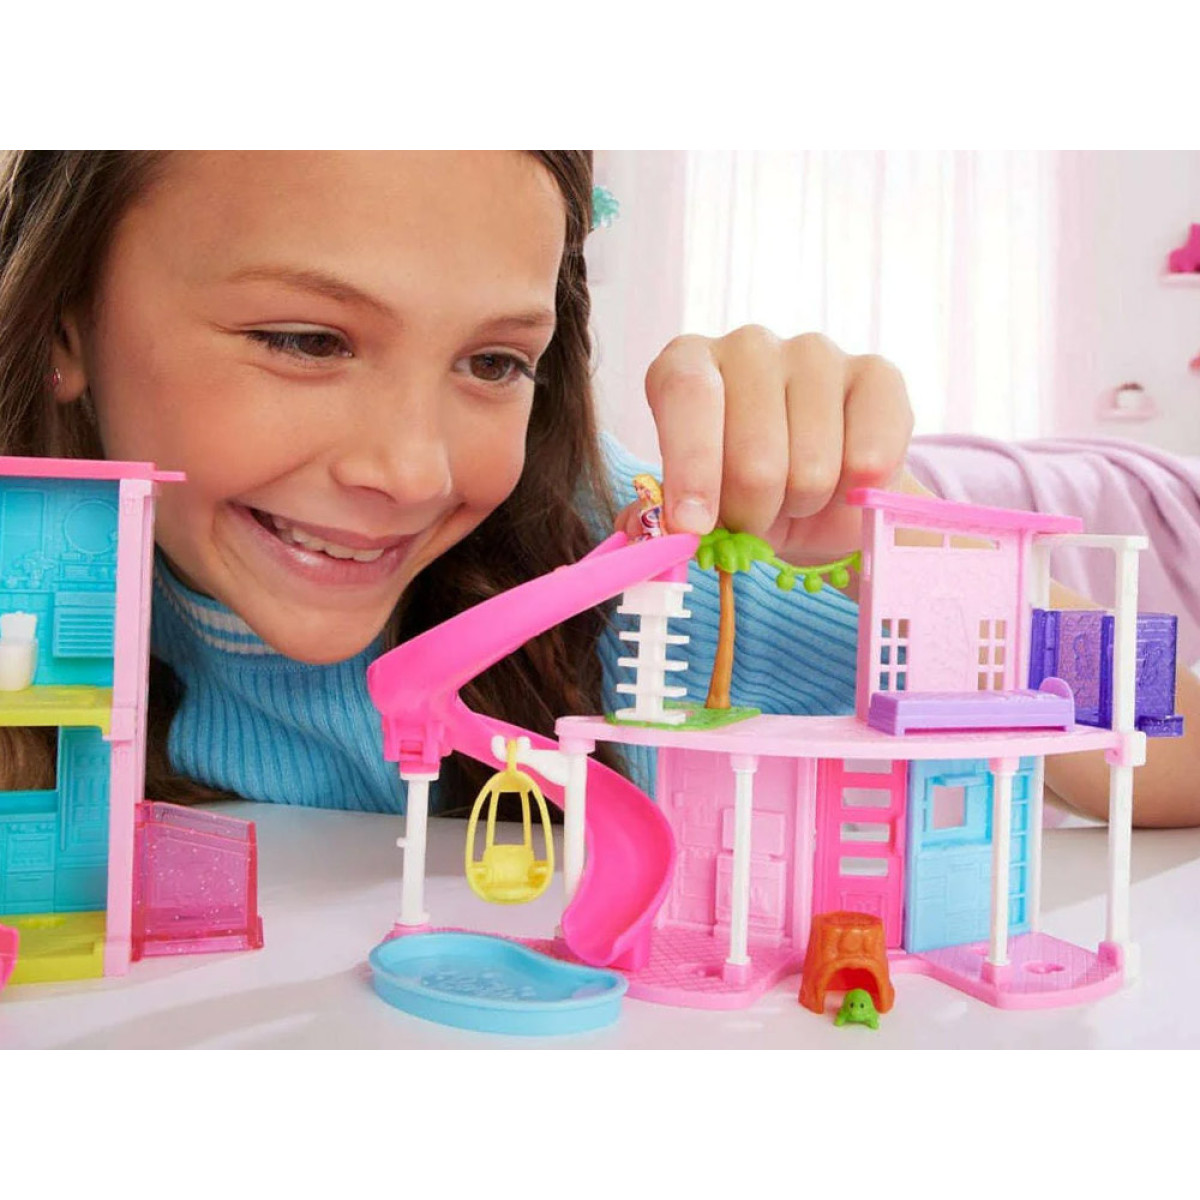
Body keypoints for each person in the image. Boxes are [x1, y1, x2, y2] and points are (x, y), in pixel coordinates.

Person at [0, 151, 1192, 828]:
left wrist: (924, 549)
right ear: (65, 325)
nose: (412, 472)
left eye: (492, 362)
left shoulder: (620, 562)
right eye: (306, 340)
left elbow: (1159, 752)